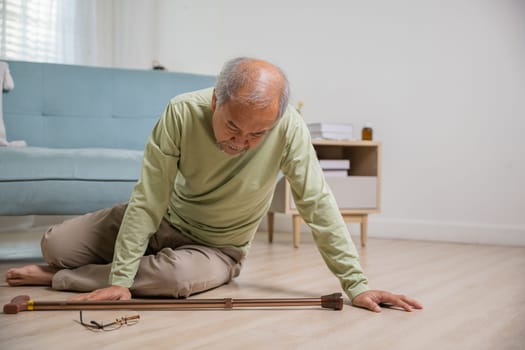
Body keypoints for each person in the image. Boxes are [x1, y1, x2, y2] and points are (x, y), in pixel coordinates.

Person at [5, 57, 422, 313]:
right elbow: (149, 200)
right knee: (55, 245)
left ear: (277, 119)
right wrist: (120, 279)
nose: (241, 143)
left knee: (175, 280)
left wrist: (357, 285)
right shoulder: (182, 112)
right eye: (233, 128)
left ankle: (61, 278)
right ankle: (89, 269)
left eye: (256, 135)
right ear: (215, 101)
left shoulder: (289, 127)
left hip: (216, 249)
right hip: (162, 219)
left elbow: (318, 205)